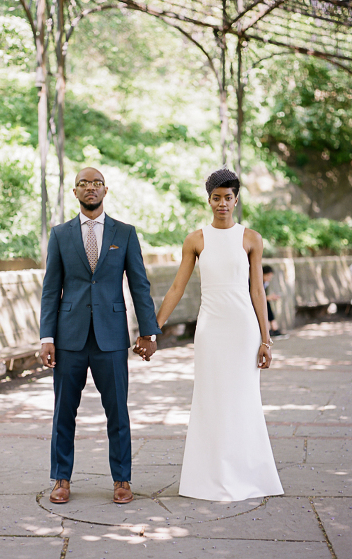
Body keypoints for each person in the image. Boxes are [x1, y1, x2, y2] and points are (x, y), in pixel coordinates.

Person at [155, 167, 283, 501]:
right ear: (209, 200)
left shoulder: (251, 238)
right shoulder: (196, 239)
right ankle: (207, 479)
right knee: (210, 400)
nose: (222, 203)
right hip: (210, 331)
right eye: (216, 198)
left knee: (243, 400)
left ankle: (248, 476)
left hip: (243, 331)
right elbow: (177, 288)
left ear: (236, 199)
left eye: (228, 197)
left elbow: (257, 290)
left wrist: (265, 339)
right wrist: (152, 330)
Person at [40, 167, 161, 505]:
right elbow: (51, 290)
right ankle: (61, 478)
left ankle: (122, 480)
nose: (90, 188)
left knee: (118, 412)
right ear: (75, 192)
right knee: (64, 411)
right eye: (83, 183)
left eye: (96, 183)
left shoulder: (124, 233)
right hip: (69, 339)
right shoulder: (60, 235)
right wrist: (45, 337)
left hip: (111, 338)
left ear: (105, 190)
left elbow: (139, 285)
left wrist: (149, 332)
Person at [263, 264, 284, 336]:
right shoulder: (257, 282)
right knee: (266, 304)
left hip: (264, 302)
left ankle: (273, 327)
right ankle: (272, 327)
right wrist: (269, 297)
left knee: (267, 304)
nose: (269, 278)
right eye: (268, 276)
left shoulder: (265, 283)